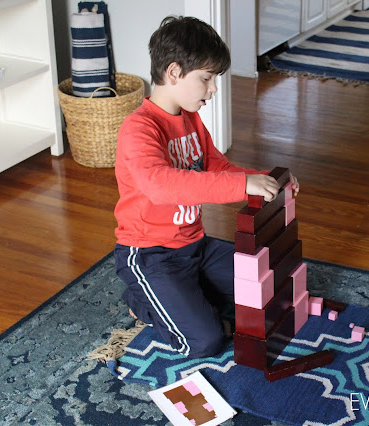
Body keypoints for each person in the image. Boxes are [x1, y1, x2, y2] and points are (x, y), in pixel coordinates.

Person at [113, 16, 299, 358]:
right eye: (206, 79)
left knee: (265, 287)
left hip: (195, 246)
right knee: (206, 341)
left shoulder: (191, 120)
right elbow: (161, 186)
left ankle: (185, 294)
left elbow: (218, 168)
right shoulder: (138, 129)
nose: (213, 89)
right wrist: (244, 184)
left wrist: (263, 179)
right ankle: (142, 301)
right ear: (173, 73)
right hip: (152, 254)